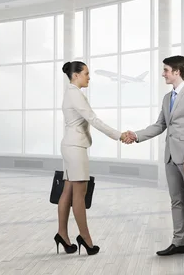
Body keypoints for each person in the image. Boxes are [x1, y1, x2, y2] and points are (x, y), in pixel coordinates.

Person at [126, 55, 184, 260]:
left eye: (166, 70)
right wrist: (136, 135)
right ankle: (179, 242)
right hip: (170, 157)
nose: (163, 73)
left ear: (177, 72)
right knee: (176, 201)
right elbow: (160, 125)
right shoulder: (167, 98)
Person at [56, 61, 135, 256]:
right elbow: (93, 120)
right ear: (75, 75)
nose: (89, 77)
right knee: (79, 194)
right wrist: (119, 135)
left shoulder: (71, 93)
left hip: (69, 145)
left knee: (67, 190)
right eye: (86, 73)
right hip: (76, 147)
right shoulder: (75, 94)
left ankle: (62, 235)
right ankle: (86, 239)